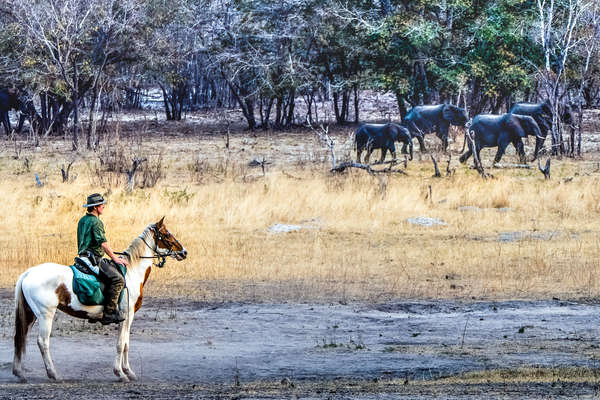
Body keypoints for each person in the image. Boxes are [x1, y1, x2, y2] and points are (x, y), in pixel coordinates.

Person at [77, 193, 129, 325]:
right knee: (118, 280)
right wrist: (115, 258)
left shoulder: (82, 220)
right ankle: (108, 313)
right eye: (101, 205)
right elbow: (103, 243)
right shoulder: (96, 222)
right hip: (94, 258)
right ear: (95, 207)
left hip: (82, 257)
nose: (103, 206)